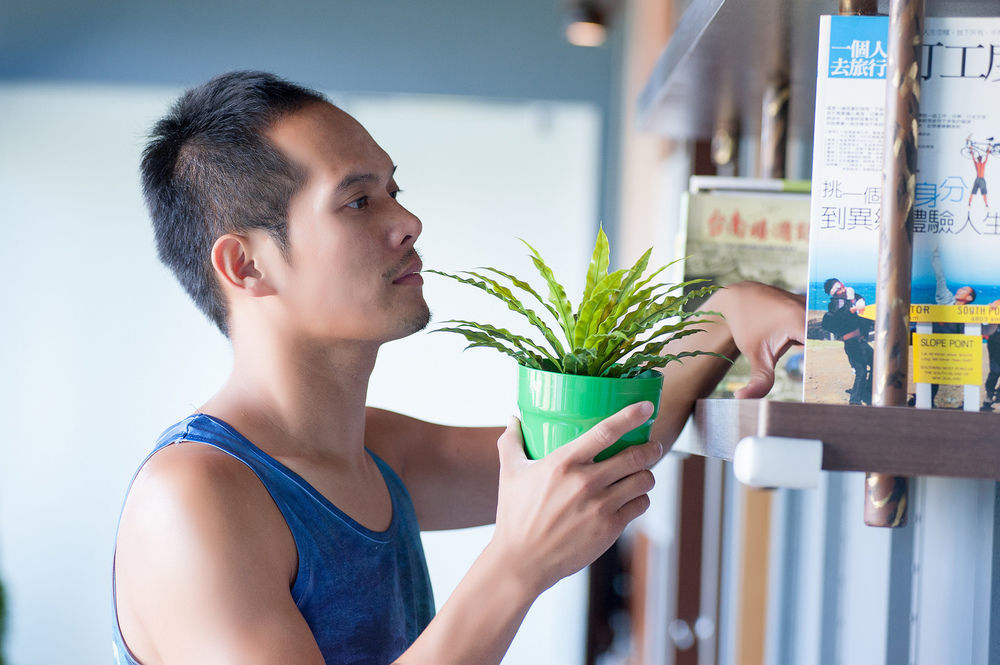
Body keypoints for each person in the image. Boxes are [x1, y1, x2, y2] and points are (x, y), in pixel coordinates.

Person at [111, 71, 806, 665]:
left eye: (393, 188)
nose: (407, 219)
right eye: (358, 200)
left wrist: (727, 311)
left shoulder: (373, 450)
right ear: (246, 264)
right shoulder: (193, 498)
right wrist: (516, 566)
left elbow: (594, 453)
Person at [930, 245, 976, 406]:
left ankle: (963, 404)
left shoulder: (971, 314)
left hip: (956, 349)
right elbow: (940, 278)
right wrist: (935, 256)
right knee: (932, 377)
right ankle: (928, 403)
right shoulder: (945, 300)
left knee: (959, 377)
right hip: (935, 345)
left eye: (964, 290)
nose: (959, 290)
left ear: (969, 298)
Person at [820, 278, 873, 405]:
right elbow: (839, 317)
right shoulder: (835, 304)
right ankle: (855, 400)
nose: (842, 289)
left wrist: (856, 300)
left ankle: (866, 391)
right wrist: (852, 309)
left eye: (841, 286)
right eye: (838, 289)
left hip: (860, 342)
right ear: (833, 293)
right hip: (852, 344)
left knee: (874, 364)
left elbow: (860, 302)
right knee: (861, 370)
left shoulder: (848, 298)